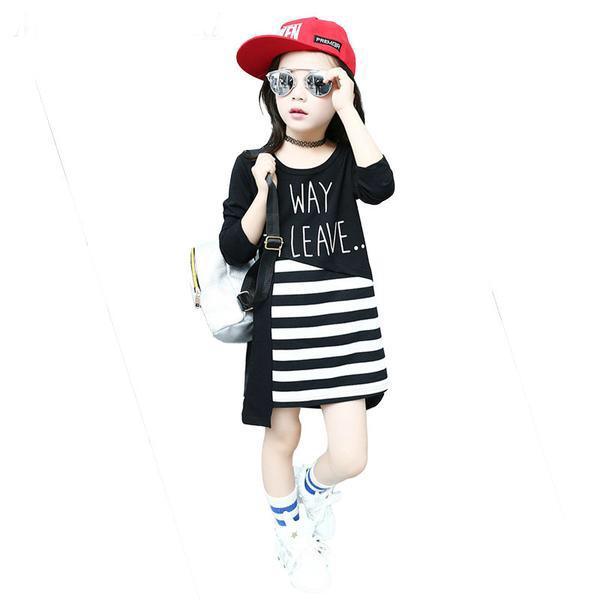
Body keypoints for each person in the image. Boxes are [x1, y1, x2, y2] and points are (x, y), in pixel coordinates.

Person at [219, 16, 395, 592]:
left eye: (318, 82)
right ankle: (290, 528)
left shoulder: (347, 158)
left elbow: (380, 186)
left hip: (343, 319)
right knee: (282, 435)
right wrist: (263, 189)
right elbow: (233, 246)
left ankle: (312, 491)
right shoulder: (253, 162)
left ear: (342, 89)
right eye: (283, 80)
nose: (297, 93)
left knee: (350, 456)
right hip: (283, 321)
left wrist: (348, 112)